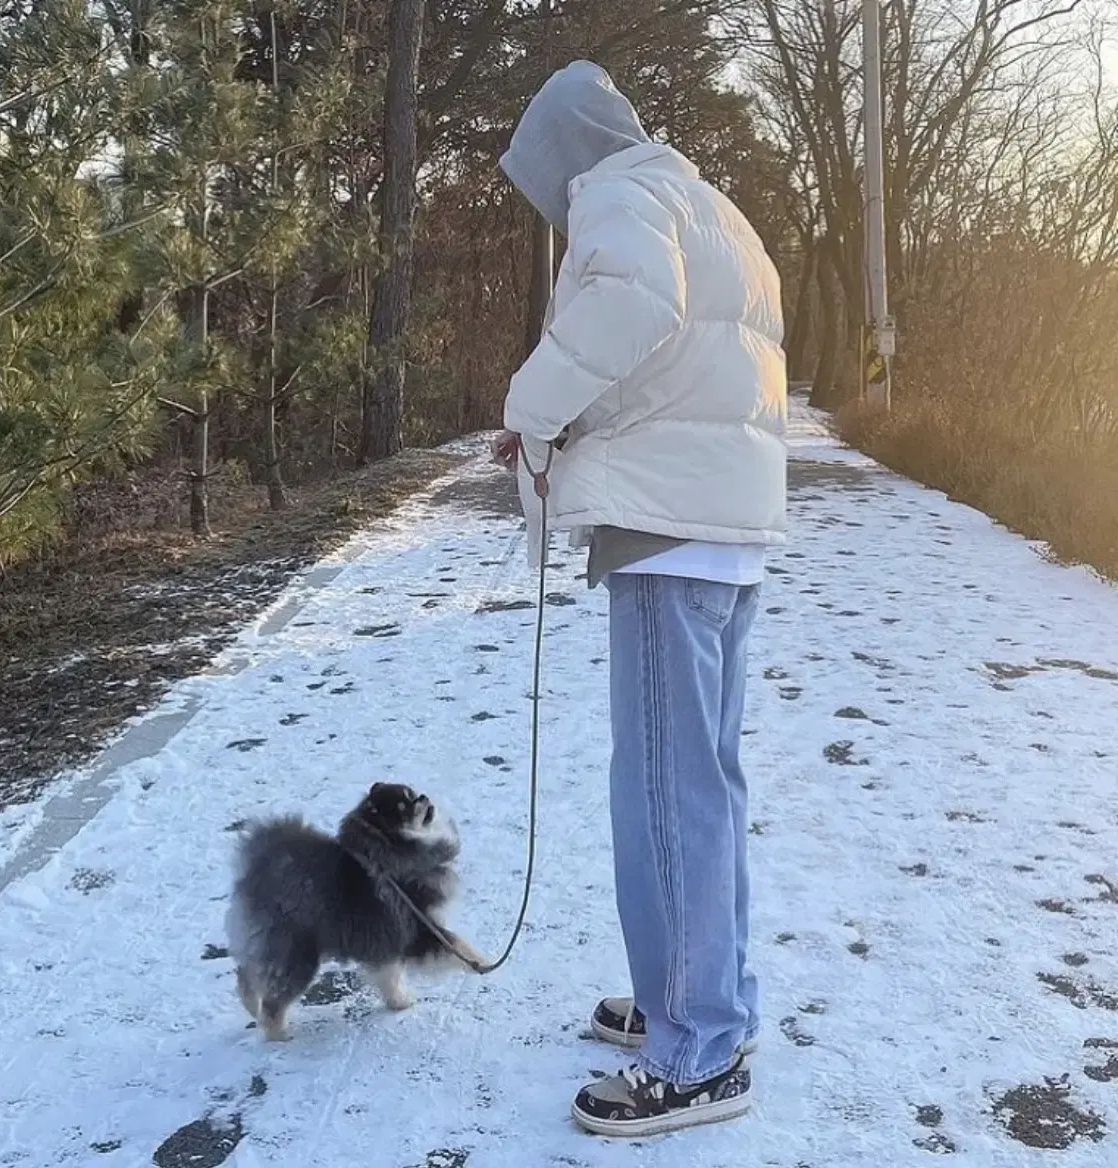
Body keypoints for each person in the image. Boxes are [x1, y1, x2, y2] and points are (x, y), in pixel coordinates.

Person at [493, 61, 787, 1138]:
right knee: (701, 785)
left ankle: (700, 1049)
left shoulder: (619, 193)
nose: (553, 205)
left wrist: (534, 412)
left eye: (544, 176)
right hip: (723, 529)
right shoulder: (710, 206)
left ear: (570, 149)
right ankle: (696, 1001)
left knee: (665, 793)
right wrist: (577, 420)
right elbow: (688, 356)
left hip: (671, 534)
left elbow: (636, 308)